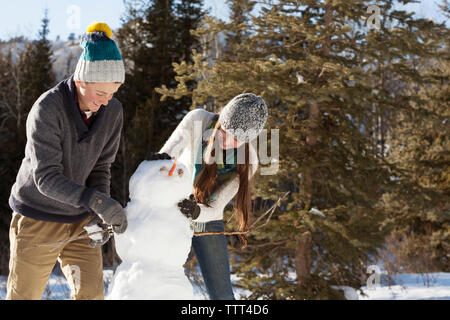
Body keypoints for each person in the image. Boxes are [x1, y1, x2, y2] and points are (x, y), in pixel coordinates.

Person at [6, 22, 127, 300]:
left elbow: (101, 166)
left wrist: (100, 211)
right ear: (81, 81)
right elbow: (46, 178)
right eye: (100, 93)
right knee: (23, 296)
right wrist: (98, 202)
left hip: (81, 219)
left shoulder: (112, 110)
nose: (106, 102)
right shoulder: (47, 109)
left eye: (113, 93)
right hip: (38, 216)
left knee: (92, 296)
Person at [150, 93, 268, 299]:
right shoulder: (198, 120)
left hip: (206, 219)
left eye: (238, 138)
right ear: (221, 118)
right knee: (161, 286)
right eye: (225, 130)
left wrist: (196, 211)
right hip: (171, 213)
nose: (228, 140)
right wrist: (161, 162)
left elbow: (216, 206)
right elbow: (166, 155)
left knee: (222, 294)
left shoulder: (249, 161)